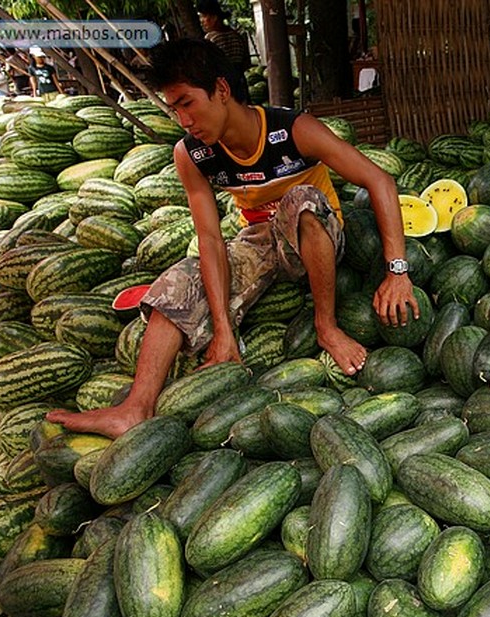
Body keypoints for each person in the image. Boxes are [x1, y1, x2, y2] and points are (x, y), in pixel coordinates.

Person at [46, 38, 417, 439]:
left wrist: (397, 271)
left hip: (318, 235)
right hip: (259, 242)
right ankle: (136, 407)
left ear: (221, 90)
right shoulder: (192, 154)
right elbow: (209, 239)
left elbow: (379, 180)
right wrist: (223, 328)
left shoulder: (293, 130)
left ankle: (325, 326)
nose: (184, 120)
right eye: (175, 109)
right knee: (181, 276)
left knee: (302, 200)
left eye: (188, 103)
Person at [197, 0, 250, 76]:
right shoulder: (237, 36)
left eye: (203, 16)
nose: (201, 21)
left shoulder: (211, 38)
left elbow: (208, 65)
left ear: (214, 18)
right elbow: (246, 63)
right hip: (239, 81)